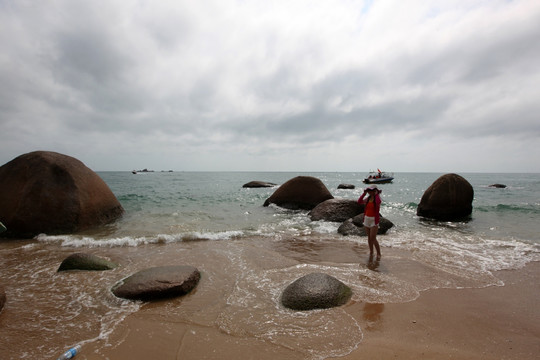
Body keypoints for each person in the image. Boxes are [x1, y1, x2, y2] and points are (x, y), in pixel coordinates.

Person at [358, 184, 382, 260]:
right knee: (369, 237)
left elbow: (378, 202)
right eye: (369, 190)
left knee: (373, 238)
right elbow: (359, 202)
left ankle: (378, 253)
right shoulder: (368, 199)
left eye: (372, 190)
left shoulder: (377, 199)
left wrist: (377, 193)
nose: (370, 192)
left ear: (375, 191)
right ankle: (371, 251)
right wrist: (364, 193)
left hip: (374, 221)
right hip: (366, 219)